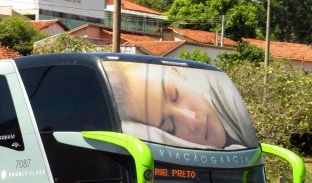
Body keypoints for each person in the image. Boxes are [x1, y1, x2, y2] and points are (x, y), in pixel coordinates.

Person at [103, 61, 258, 149]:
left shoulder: (222, 91)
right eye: (170, 127)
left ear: (176, 71)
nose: (193, 120)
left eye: (175, 95)